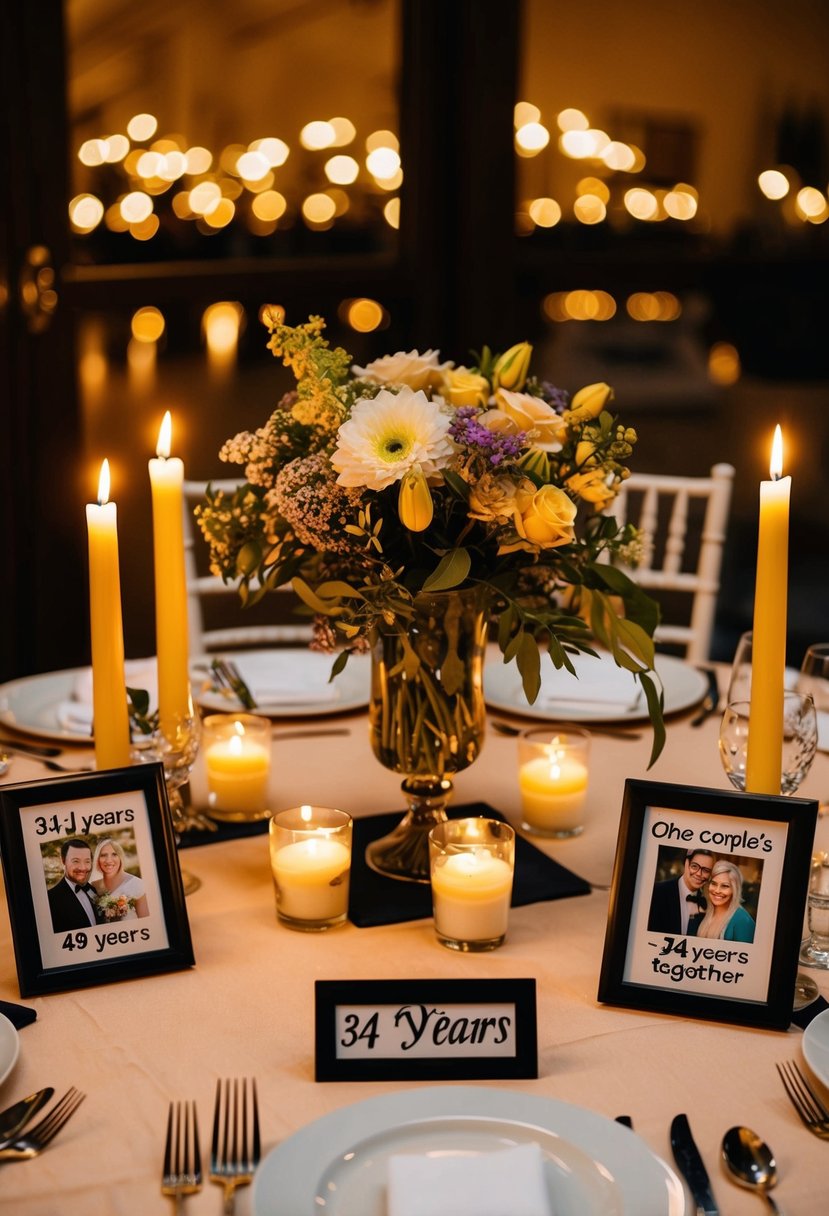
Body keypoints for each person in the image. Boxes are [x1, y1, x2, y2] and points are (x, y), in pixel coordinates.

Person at [647, 848, 716, 936]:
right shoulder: (657, 892)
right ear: (687, 863)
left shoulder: (710, 902)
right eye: (694, 866)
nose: (699, 874)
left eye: (706, 870)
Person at [695, 860, 756, 943]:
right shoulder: (708, 911)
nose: (717, 890)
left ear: (734, 889)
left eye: (725, 886)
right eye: (714, 883)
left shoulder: (743, 921)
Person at [47, 838, 100, 932]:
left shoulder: (92, 889)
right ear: (63, 861)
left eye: (87, 861)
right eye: (76, 861)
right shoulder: (50, 900)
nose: (83, 868)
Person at [91, 838, 149, 920]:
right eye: (103, 855)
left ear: (120, 857)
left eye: (114, 854)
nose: (109, 860)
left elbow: (147, 922)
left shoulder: (137, 885)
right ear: (97, 859)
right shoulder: (92, 887)